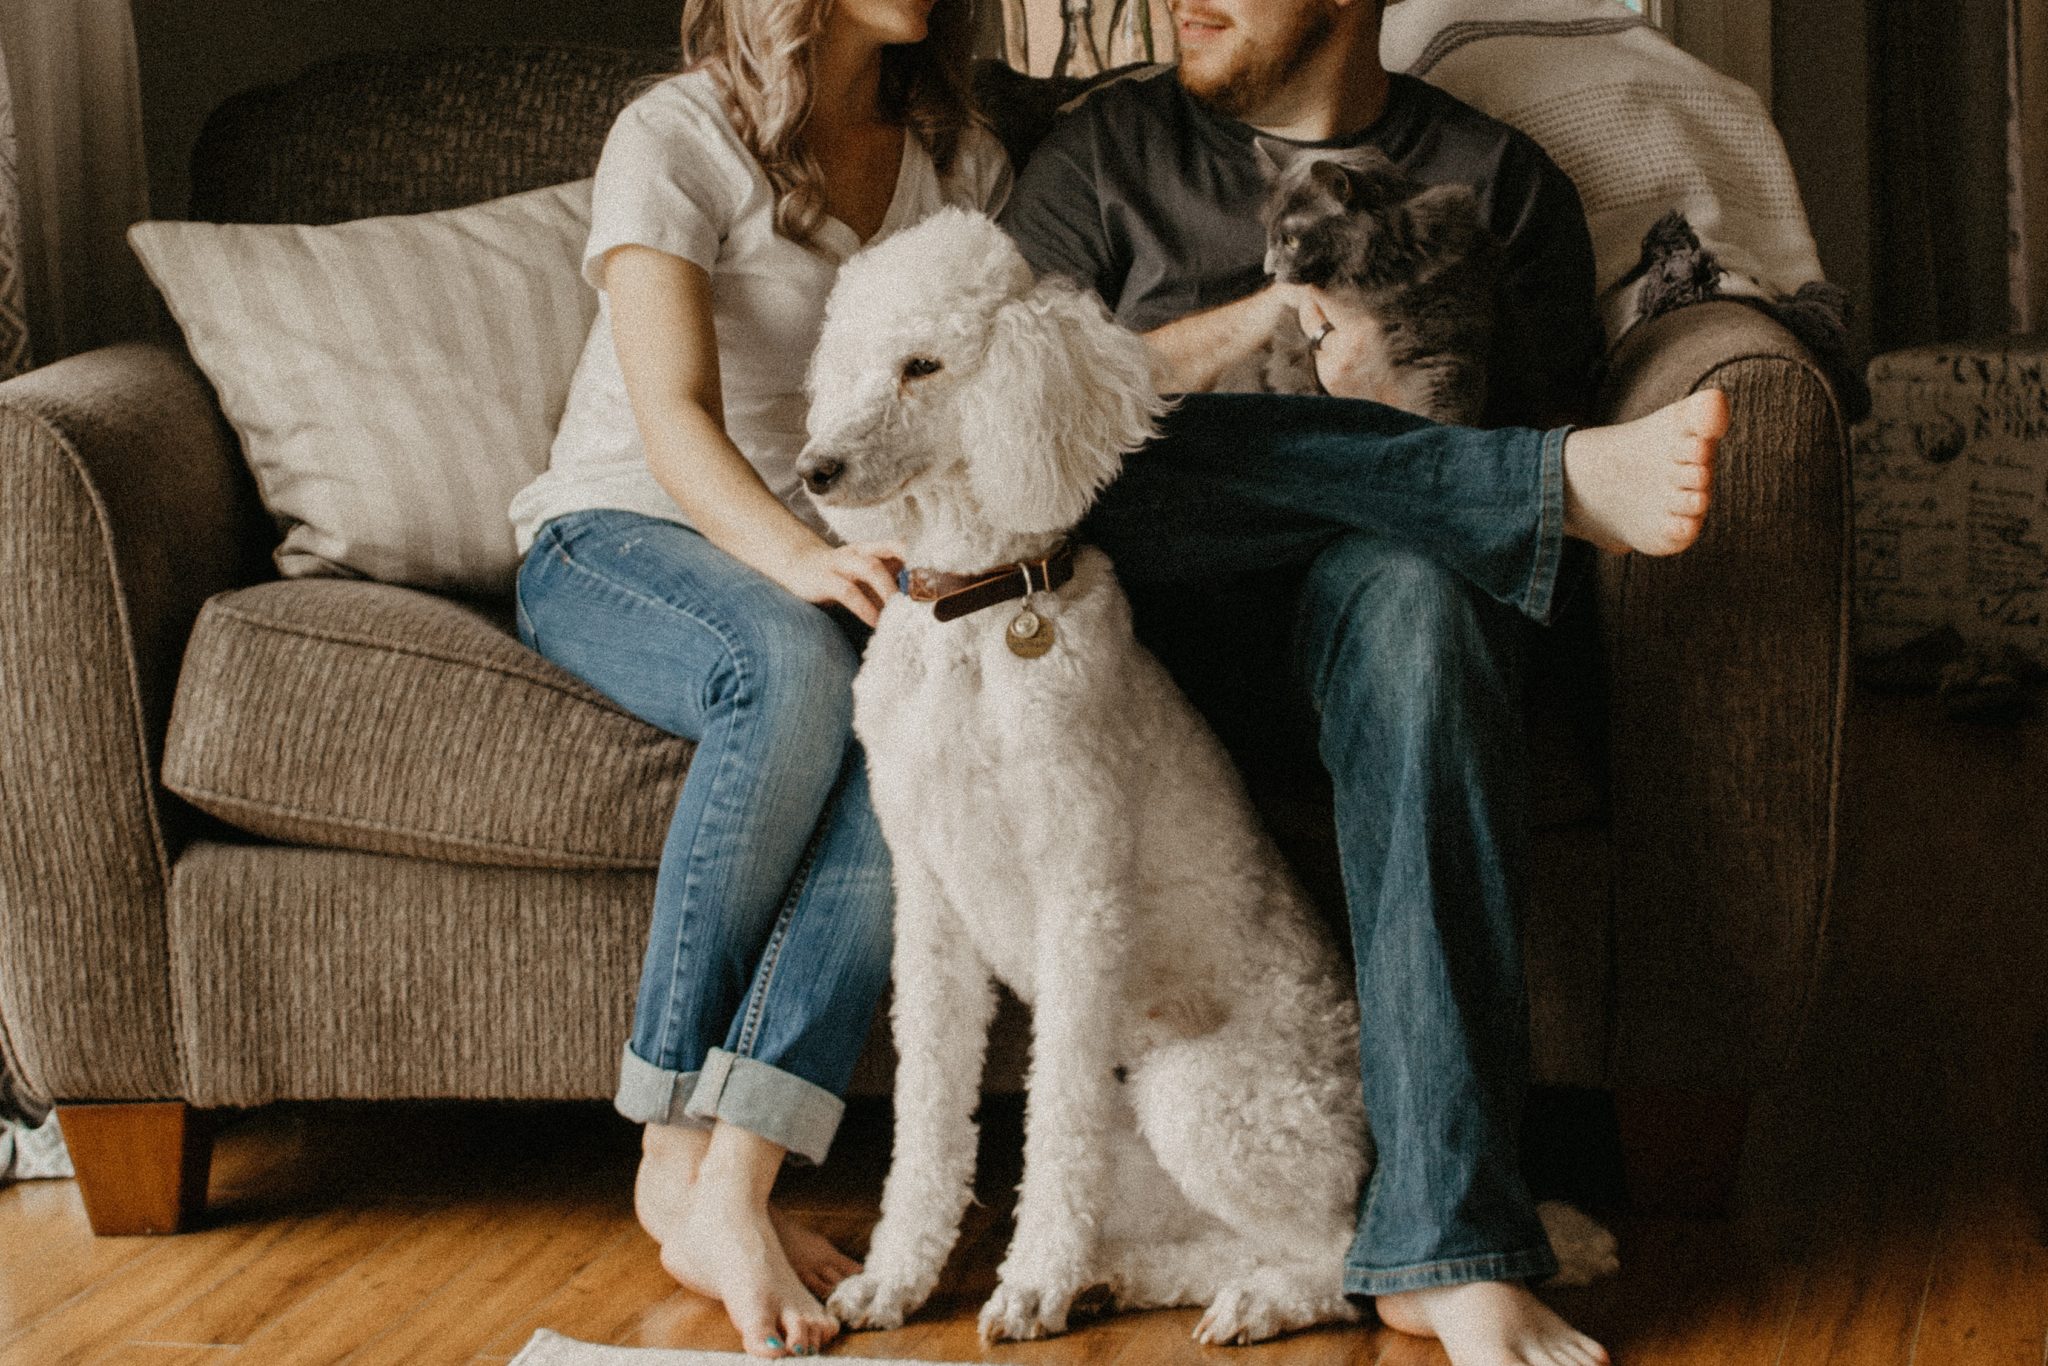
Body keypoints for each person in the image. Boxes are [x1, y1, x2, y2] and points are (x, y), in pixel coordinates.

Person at [996, 0, 1728, 1362]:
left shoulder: (1495, 183)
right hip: (1149, 630)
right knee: (1093, 439)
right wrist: (1256, 329)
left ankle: (1442, 1245)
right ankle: (1536, 489)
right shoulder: (1103, 159)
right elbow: (1017, 430)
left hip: (1373, 622)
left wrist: (1403, 422)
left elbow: (1498, 573)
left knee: (1421, 596)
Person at [504, 0, 1012, 1353]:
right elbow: (669, 410)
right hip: (621, 531)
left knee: (922, 727)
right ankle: (670, 1156)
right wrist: (794, 554)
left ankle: (734, 1175)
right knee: (792, 670)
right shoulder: (671, 137)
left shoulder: (956, 155)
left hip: (839, 549)